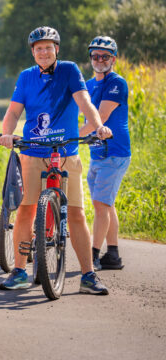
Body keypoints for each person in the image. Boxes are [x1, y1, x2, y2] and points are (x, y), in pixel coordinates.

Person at [0, 26, 112, 295]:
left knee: (76, 213)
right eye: (38, 49)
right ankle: (20, 271)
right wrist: (6, 133)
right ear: (33, 52)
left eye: (48, 47)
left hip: (65, 153)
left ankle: (88, 275)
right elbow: (14, 112)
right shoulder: (26, 77)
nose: (43, 52)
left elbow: (85, 102)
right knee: (26, 210)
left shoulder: (70, 70)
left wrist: (97, 127)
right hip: (33, 152)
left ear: (56, 49)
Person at [80, 36, 130, 271]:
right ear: (91, 58)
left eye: (105, 56)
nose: (100, 60)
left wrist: (70, 138)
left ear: (113, 59)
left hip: (115, 152)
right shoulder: (88, 85)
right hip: (98, 154)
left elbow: (100, 117)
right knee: (106, 205)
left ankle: (93, 256)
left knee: (100, 205)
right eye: (95, 56)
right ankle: (113, 255)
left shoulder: (116, 83)